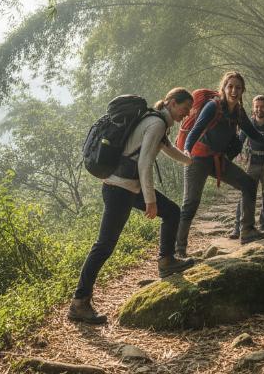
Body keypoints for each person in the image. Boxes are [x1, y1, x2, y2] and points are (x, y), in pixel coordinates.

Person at [69, 88, 197, 324]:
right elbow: (145, 164)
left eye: (189, 111)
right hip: (120, 189)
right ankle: (79, 302)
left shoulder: (157, 121)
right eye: (184, 108)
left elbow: (167, 149)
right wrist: (150, 200)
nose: (186, 114)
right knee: (104, 245)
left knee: (172, 212)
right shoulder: (156, 123)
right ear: (170, 102)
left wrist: (189, 159)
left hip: (128, 187)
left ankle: (166, 261)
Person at [176, 72, 264, 255]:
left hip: (217, 159)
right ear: (223, 88)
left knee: (247, 184)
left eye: (238, 87)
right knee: (191, 202)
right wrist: (187, 150)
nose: (234, 91)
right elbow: (196, 130)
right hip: (197, 158)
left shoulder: (238, 111)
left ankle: (247, 231)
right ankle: (179, 249)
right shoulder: (213, 107)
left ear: (242, 90)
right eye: (230, 86)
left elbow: (254, 134)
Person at [228, 95, 264, 238]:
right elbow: (240, 141)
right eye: (257, 107)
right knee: (245, 195)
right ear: (253, 109)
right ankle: (238, 228)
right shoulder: (249, 123)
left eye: (262, 107)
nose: (259, 109)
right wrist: (231, 157)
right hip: (252, 163)